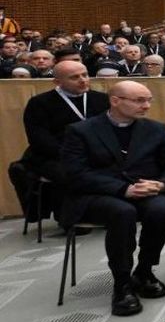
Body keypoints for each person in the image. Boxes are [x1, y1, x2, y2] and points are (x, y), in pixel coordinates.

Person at [59, 81, 165, 316]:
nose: (146, 106)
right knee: (122, 212)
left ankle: (144, 271)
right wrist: (122, 189)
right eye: (139, 100)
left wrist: (162, 183)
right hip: (98, 194)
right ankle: (122, 283)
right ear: (115, 101)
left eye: (148, 100)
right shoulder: (81, 131)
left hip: (145, 190)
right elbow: (76, 174)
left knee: (161, 209)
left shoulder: (155, 128)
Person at [21, 60, 111, 229]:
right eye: (74, 77)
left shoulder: (101, 99)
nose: (83, 80)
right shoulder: (39, 103)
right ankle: (71, 219)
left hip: (97, 153)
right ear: (57, 82)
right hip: (55, 156)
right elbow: (39, 139)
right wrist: (73, 156)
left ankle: (108, 212)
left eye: (85, 75)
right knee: (69, 173)